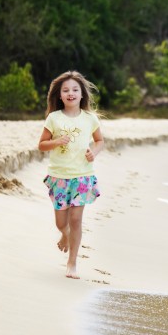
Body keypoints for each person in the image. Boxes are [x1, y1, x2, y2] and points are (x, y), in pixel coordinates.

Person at [38, 70, 104, 279]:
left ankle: (72, 263)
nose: (70, 93)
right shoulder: (54, 118)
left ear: (82, 94)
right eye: (65, 90)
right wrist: (56, 142)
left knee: (76, 219)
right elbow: (41, 145)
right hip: (59, 176)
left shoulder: (90, 119)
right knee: (61, 223)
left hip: (82, 176)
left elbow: (100, 141)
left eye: (75, 89)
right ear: (59, 96)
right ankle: (64, 234)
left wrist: (93, 152)